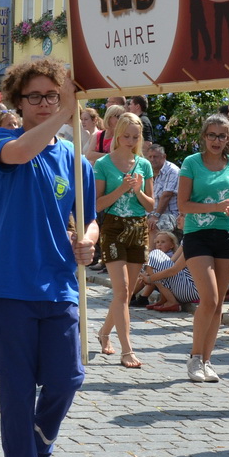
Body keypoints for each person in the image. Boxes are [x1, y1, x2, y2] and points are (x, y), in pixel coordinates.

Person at [0, 56, 96, 457]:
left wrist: (87, 240)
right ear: (18, 101)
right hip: (9, 286)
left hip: (59, 285)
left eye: (53, 95)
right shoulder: (0, 140)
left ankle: (37, 444)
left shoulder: (75, 160)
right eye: (36, 97)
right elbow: (22, 153)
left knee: (68, 378)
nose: (45, 103)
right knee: (17, 389)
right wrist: (66, 111)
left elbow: (89, 219)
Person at [178, 115, 229, 382]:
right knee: (210, 299)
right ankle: (194, 357)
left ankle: (207, 360)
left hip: (226, 234)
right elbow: (183, 204)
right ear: (204, 136)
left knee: (218, 306)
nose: (217, 141)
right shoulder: (191, 162)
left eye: (222, 136)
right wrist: (215, 206)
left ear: (228, 138)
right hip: (197, 234)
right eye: (212, 135)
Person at [93, 111, 154, 369]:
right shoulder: (103, 164)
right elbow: (97, 204)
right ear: (118, 135)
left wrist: (137, 190)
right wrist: (121, 188)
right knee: (121, 290)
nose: (130, 141)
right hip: (113, 227)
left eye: (135, 137)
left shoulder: (144, 164)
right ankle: (127, 350)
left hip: (138, 227)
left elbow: (150, 205)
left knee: (126, 293)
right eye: (126, 136)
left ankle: (104, 332)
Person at [137, 232, 198, 311]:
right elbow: (172, 261)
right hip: (188, 288)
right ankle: (164, 299)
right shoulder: (187, 238)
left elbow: (173, 270)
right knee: (154, 262)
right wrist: (149, 270)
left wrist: (149, 278)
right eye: (157, 242)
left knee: (155, 253)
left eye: (163, 242)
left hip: (192, 290)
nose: (159, 244)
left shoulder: (194, 239)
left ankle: (172, 301)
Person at [147, 143, 180, 247]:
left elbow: (167, 196)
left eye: (155, 157)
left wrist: (155, 216)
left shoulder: (172, 171)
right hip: (153, 212)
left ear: (164, 156)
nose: (152, 159)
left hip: (171, 214)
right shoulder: (149, 171)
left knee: (154, 225)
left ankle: (153, 256)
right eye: (150, 157)